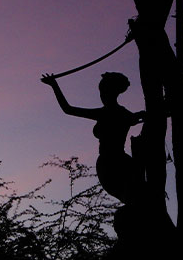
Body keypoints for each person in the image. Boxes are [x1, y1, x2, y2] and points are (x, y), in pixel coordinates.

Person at [41, 72, 146, 204]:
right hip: (116, 162)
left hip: (111, 163)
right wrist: (54, 85)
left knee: (132, 197)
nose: (102, 96)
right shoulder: (124, 114)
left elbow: (69, 109)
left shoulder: (108, 113)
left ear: (112, 93)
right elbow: (68, 110)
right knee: (133, 196)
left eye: (103, 92)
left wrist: (54, 85)